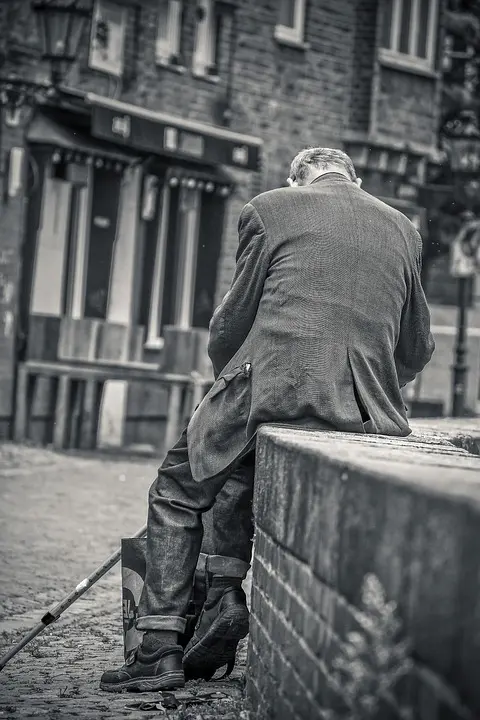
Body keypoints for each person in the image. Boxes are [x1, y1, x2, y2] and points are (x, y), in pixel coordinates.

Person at [100, 147, 435, 692]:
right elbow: (417, 346)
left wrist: (222, 381)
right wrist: (373, 383)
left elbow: (234, 321)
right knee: (236, 474)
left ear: (298, 178)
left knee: (178, 489)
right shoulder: (403, 229)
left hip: (272, 384)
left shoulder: (271, 208)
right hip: (362, 408)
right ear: (354, 179)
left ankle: (157, 649)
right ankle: (221, 597)